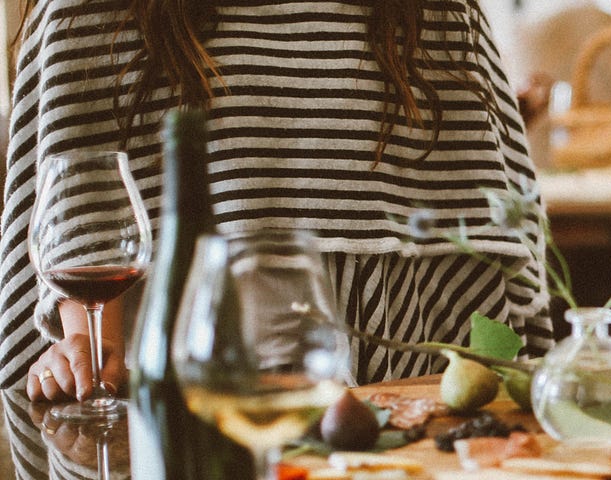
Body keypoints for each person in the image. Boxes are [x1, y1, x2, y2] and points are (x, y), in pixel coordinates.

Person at [3, 0, 554, 401]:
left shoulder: (435, 13)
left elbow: (502, 259)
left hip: (418, 410)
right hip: (185, 417)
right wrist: (85, 349)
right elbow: (80, 228)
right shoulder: (87, 12)